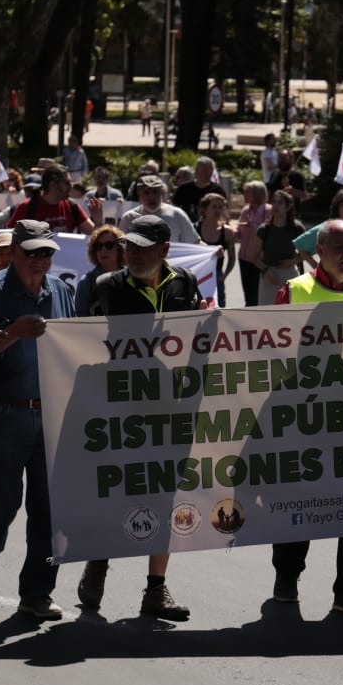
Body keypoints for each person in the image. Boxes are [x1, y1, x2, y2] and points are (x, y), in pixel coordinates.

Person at [79, 217, 205, 621]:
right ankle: (98, 560)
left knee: (167, 496)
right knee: (114, 492)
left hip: (172, 412)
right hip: (118, 412)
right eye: (128, 247)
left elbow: (199, 340)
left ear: (164, 250)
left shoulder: (184, 283)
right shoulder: (104, 288)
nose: (132, 254)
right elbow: (76, 346)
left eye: (142, 248)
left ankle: (156, 589)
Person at [0, 220, 75, 622]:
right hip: (2, 412)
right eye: (33, 253)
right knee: (5, 502)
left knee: (48, 508)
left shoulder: (61, 290)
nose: (41, 262)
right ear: (14, 253)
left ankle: (37, 592)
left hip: (52, 415)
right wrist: (11, 335)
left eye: (47, 254)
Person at [271, 220, 343, 618]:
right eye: (338, 246)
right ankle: (287, 577)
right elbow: (269, 351)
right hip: (306, 419)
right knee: (299, 501)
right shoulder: (296, 291)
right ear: (319, 249)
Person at [295, 185, 343, 279]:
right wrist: (316, 267)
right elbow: (299, 245)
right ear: (338, 207)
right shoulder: (328, 229)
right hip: (331, 287)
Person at [254, 190, 306, 306]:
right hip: (268, 276)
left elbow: (307, 253)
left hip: (290, 275)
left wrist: (293, 261)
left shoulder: (297, 228)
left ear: (288, 207)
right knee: (266, 315)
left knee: (289, 314)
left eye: (280, 203)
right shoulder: (264, 229)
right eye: (274, 202)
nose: (276, 206)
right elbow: (253, 257)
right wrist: (266, 270)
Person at [9, 166, 94, 234]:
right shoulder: (26, 207)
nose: (71, 186)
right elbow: (9, 238)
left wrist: (97, 221)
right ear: (53, 185)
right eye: (67, 182)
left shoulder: (72, 207)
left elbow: (94, 235)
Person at [119, 174, 199, 243]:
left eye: (155, 192)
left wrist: (210, 251)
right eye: (146, 193)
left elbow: (195, 243)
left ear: (162, 192)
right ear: (139, 195)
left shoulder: (177, 215)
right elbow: (120, 248)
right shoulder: (128, 218)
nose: (151, 197)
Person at [197, 192, 237, 307]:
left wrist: (224, 276)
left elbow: (232, 258)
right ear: (205, 209)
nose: (218, 210)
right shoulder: (195, 228)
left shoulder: (227, 232)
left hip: (217, 276)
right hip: (198, 275)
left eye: (220, 207)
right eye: (214, 207)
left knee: (218, 309)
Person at [74, 225, 123, 317]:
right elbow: (80, 322)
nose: (103, 250)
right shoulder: (86, 283)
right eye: (98, 246)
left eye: (109, 245)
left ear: (120, 247)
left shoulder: (132, 278)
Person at [236, 180, 271, 306]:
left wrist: (253, 226)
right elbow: (239, 234)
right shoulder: (246, 210)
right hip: (244, 257)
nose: (244, 194)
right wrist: (235, 232)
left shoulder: (268, 210)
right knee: (248, 294)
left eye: (248, 192)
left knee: (257, 293)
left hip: (258, 258)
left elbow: (268, 233)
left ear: (257, 193)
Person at [172, 156, 227, 225]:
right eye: (204, 172)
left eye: (209, 172)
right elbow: (175, 210)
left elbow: (223, 212)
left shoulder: (218, 191)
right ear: (196, 171)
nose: (207, 175)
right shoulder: (183, 189)